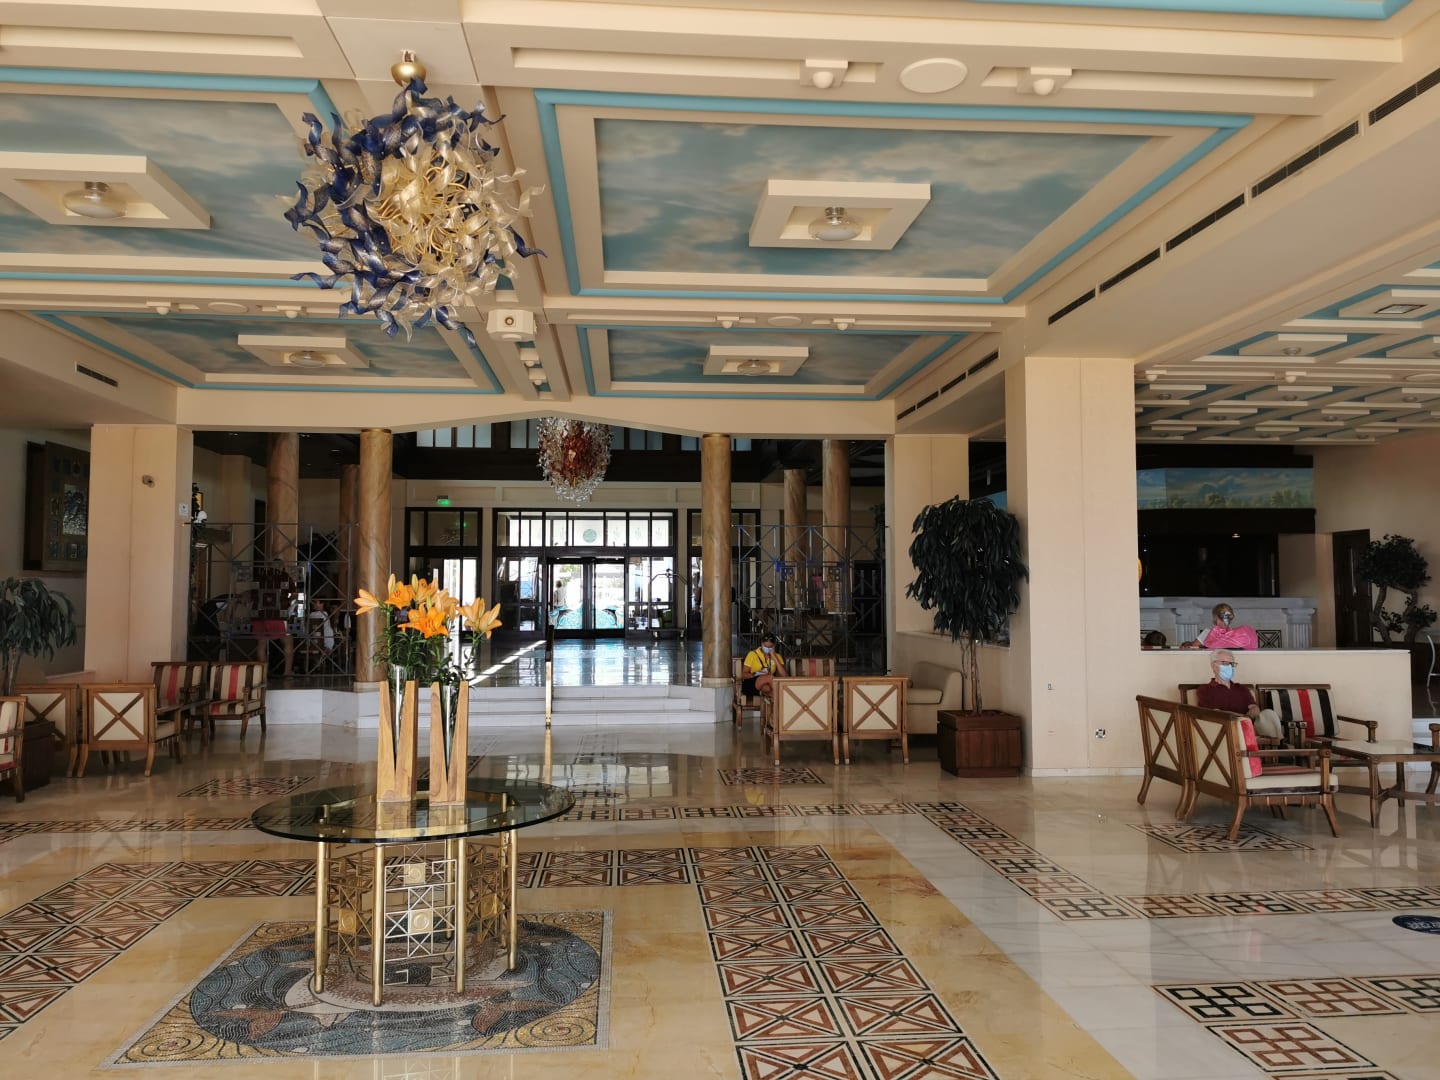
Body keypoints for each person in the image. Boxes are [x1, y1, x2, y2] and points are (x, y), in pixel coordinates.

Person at [1196, 650, 1281, 741]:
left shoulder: (1241, 689)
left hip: (1247, 727)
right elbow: (1214, 713)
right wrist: (1238, 719)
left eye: (1231, 664)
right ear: (1213, 666)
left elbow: (1254, 708)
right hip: (1223, 730)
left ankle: (1279, 746)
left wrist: (1246, 718)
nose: (1229, 667)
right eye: (1224, 663)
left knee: (1269, 714)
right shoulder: (1205, 689)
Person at [1181, 602, 1258, 651]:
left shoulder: (1207, 633)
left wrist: (1187, 644)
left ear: (1215, 617)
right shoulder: (1240, 636)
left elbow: (1193, 648)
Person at [742, 632, 788, 701]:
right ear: (762, 644)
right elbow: (743, 674)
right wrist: (755, 674)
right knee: (770, 677)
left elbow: (784, 675)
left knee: (767, 688)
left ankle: (769, 698)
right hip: (752, 682)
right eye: (765, 646)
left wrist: (774, 656)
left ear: (774, 646)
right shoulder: (752, 654)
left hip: (767, 684)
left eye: (770, 647)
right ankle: (784, 700)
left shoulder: (777, 656)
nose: (767, 648)